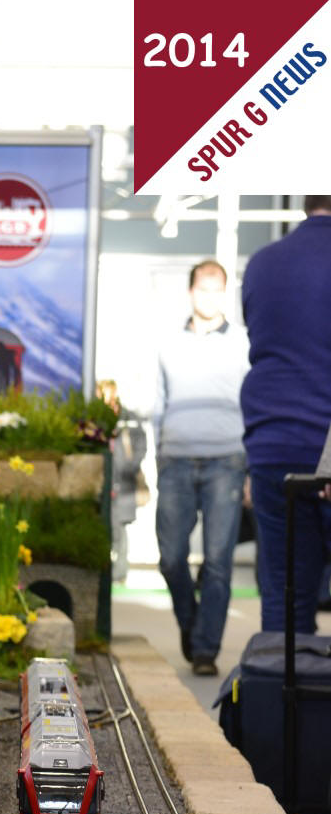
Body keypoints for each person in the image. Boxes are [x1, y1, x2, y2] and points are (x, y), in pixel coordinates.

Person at [153, 260, 249, 676]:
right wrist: (156, 455)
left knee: (217, 560)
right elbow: (157, 403)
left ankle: (205, 650)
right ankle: (191, 625)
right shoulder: (167, 342)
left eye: (217, 289)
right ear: (191, 291)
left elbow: (253, 404)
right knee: (171, 557)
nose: (209, 297)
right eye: (203, 288)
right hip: (175, 459)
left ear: (224, 293)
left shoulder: (245, 343)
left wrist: (250, 467)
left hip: (227, 461)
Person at [240, 196, 331, 635]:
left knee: (283, 589)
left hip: (271, 442)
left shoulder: (262, 263)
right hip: (326, 443)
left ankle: (285, 700)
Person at [99, 378, 148, 584]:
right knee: (106, 528)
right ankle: (106, 571)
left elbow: (140, 447)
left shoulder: (129, 419)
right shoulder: (96, 420)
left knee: (120, 528)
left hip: (124, 484)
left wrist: (130, 466)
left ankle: (119, 573)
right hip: (103, 482)